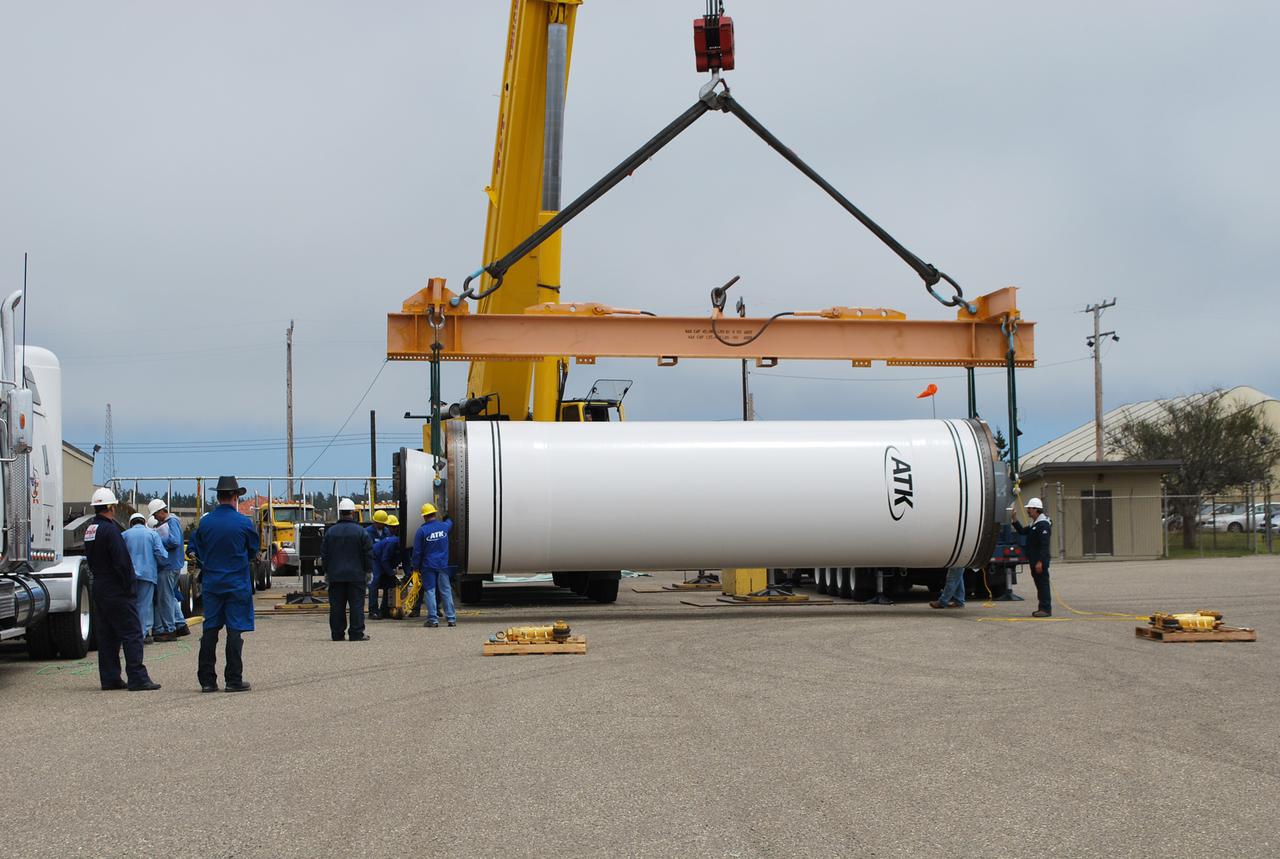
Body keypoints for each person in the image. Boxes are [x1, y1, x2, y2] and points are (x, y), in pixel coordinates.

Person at [84, 487, 160, 691]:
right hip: (116, 587)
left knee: (108, 635)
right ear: (110, 506)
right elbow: (122, 561)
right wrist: (129, 586)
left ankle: (110, 678)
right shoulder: (111, 530)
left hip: (99, 586)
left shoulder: (91, 530)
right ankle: (137, 677)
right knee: (132, 632)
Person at [188, 476, 259, 693]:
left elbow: (196, 550)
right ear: (235, 496)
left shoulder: (205, 523)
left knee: (210, 630)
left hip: (212, 584)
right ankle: (233, 679)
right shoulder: (244, 523)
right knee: (234, 632)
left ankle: (207, 681)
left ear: (217, 496)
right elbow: (253, 551)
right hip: (237, 584)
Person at [322, 497, 374, 641]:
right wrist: (368, 571)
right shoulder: (361, 532)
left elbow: (324, 554)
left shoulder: (331, 532)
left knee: (337, 606)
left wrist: (326, 571)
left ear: (340, 512)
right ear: (353, 512)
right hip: (356, 575)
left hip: (335, 575)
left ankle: (337, 634)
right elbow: (368, 553)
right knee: (356, 605)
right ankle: (356, 633)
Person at [122, 512, 168, 642]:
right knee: (144, 605)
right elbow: (162, 554)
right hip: (148, 575)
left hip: (129, 575)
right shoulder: (152, 534)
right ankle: (140, 635)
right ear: (144, 522)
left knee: (130, 604)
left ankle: (129, 633)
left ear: (131, 523)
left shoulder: (124, 535)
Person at [149, 498, 189, 638]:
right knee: (170, 596)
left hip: (168, 565)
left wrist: (156, 540)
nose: (155, 518)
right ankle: (180, 624)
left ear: (161, 511)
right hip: (173, 564)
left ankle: (169, 630)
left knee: (165, 598)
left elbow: (174, 541)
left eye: (155, 515)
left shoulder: (171, 521)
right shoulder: (171, 521)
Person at [411, 503, 455, 629]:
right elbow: (450, 522)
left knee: (430, 592)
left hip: (428, 566)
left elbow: (417, 552)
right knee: (446, 591)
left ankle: (433, 620)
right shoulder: (444, 527)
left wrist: (415, 567)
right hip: (442, 565)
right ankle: (451, 619)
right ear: (435, 514)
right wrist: (446, 516)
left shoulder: (422, 531)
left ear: (424, 516)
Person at [1013, 497, 1053, 618]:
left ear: (1036, 509)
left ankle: (1045, 609)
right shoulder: (1034, 524)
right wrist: (1014, 519)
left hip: (1039, 561)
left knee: (1043, 584)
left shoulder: (1043, 525)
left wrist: (1040, 561)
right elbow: (1022, 531)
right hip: (1034, 560)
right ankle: (1042, 608)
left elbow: (1044, 545)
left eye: (1029, 508)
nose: (1028, 510)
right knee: (1039, 584)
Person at [368, 515, 401, 620]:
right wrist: (391, 573)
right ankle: (373, 610)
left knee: (388, 583)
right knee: (375, 581)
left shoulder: (386, 532)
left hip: (383, 559)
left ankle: (384, 610)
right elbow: (383, 558)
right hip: (375, 559)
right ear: (376, 522)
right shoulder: (368, 532)